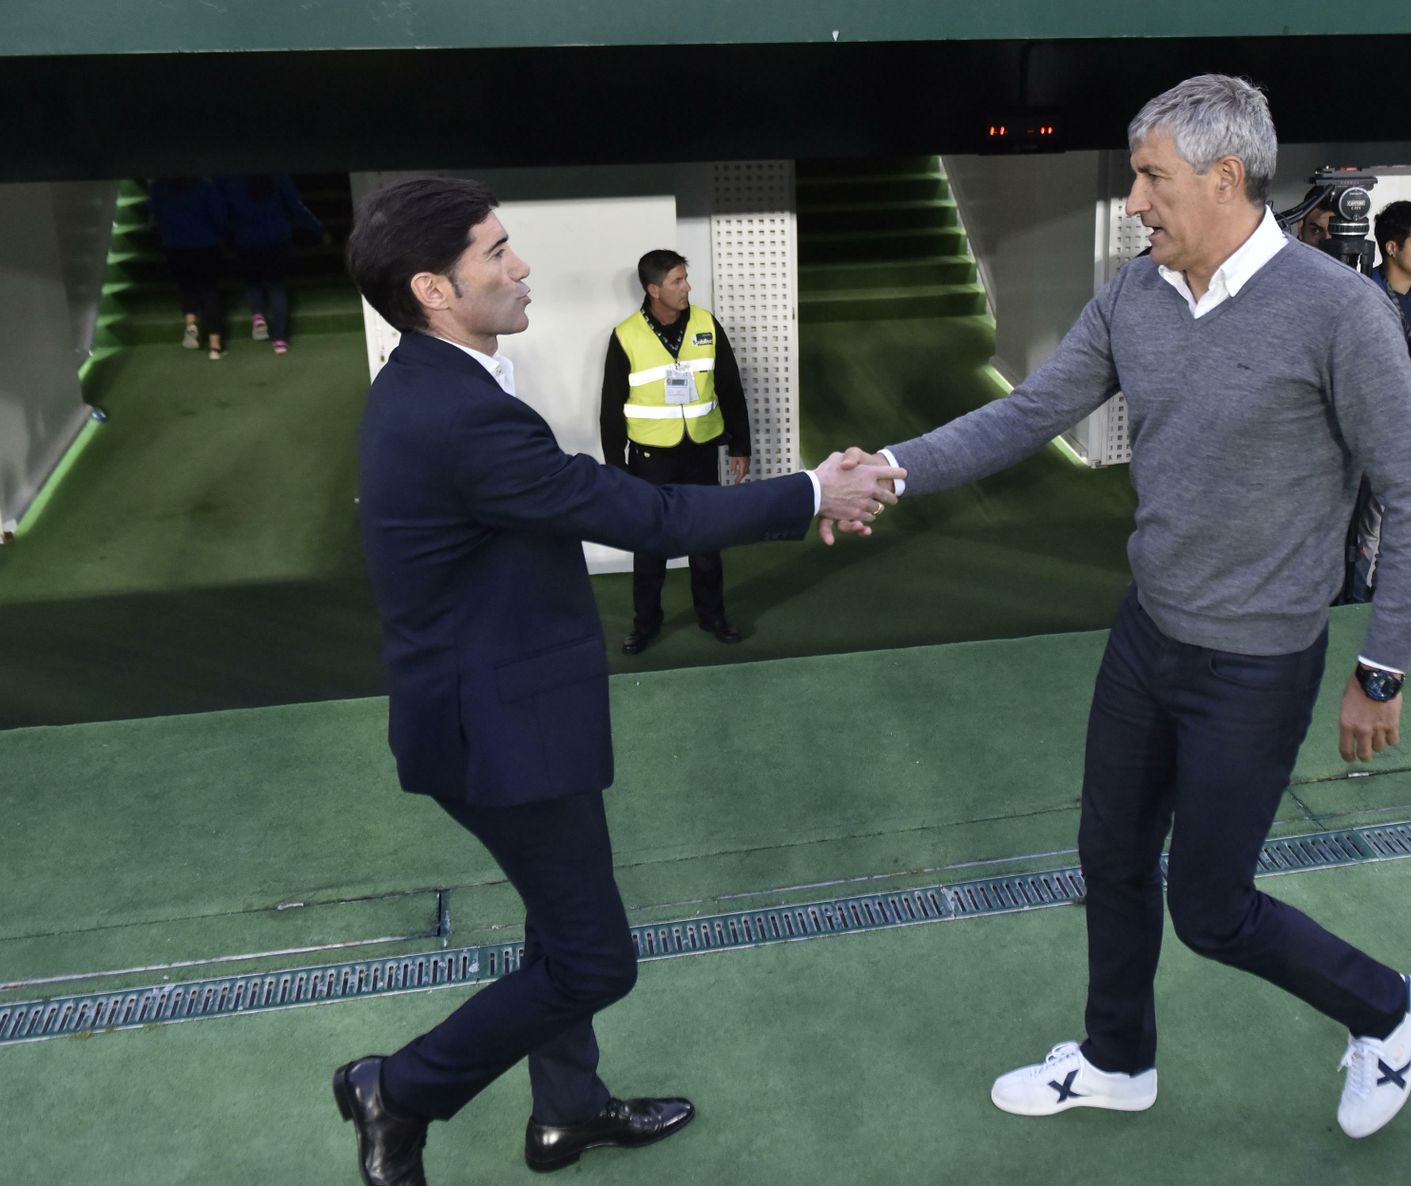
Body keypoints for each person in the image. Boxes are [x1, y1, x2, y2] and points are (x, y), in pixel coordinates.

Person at [835, 75, 1411, 1139]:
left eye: (1150, 177)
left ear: (1223, 179)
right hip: (1146, 638)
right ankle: (1118, 1058)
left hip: (1257, 666)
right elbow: (1030, 413)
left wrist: (1380, 667)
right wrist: (888, 466)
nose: (1133, 199)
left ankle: (1390, 1008)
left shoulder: (1339, 313)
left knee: (1212, 910)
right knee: (1110, 858)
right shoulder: (1135, 295)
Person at [335, 177, 900, 1185]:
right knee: (595, 961)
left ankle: (567, 1115)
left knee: (555, 934)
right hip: (500, 735)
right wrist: (815, 488)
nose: (521, 267)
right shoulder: (458, 415)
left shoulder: (439, 381)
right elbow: (645, 517)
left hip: (493, 712)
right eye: (496, 252)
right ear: (432, 286)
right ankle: (400, 1088)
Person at [599, 251, 752, 655]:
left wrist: (740, 444)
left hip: (701, 450)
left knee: (707, 539)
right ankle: (646, 625)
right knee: (650, 544)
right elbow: (611, 408)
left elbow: (730, 388)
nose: (687, 288)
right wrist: (615, 470)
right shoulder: (627, 335)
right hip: (650, 460)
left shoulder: (706, 324)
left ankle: (713, 616)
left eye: (686, 280)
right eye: (677, 282)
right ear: (653, 290)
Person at [1346, 200, 1411, 601]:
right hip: (1373, 435)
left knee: (1399, 522)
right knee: (1366, 525)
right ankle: (1352, 601)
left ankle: (1388, 596)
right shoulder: (1363, 295)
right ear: (1391, 247)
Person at [219, 174, 326, 354]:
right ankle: (280, 340)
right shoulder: (278, 177)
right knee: (276, 288)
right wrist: (318, 228)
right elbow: (295, 206)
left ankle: (258, 315)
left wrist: (226, 233)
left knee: (252, 282)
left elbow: (223, 209)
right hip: (277, 239)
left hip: (246, 240)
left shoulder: (232, 179)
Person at [147, 176, 229, 360]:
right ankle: (215, 346)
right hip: (206, 244)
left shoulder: (159, 187)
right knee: (209, 291)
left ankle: (191, 322)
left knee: (186, 287)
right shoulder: (205, 186)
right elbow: (219, 217)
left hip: (174, 245)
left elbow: (155, 216)